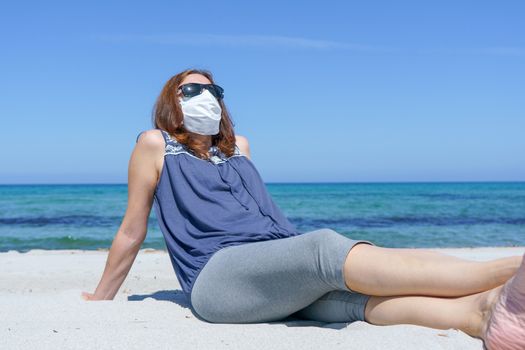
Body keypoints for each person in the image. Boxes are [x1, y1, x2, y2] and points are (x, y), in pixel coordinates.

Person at [82, 68, 525, 350]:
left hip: (273, 266)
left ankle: (482, 314)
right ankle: (506, 270)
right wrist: (102, 297)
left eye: (213, 88)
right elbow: (132, 228)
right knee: (324, 249)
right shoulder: (154, 144)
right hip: (217, 279)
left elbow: (257, 216)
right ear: (171, 101)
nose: (205, 94)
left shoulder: (241, 148)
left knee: (349, 302)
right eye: (192, 88)